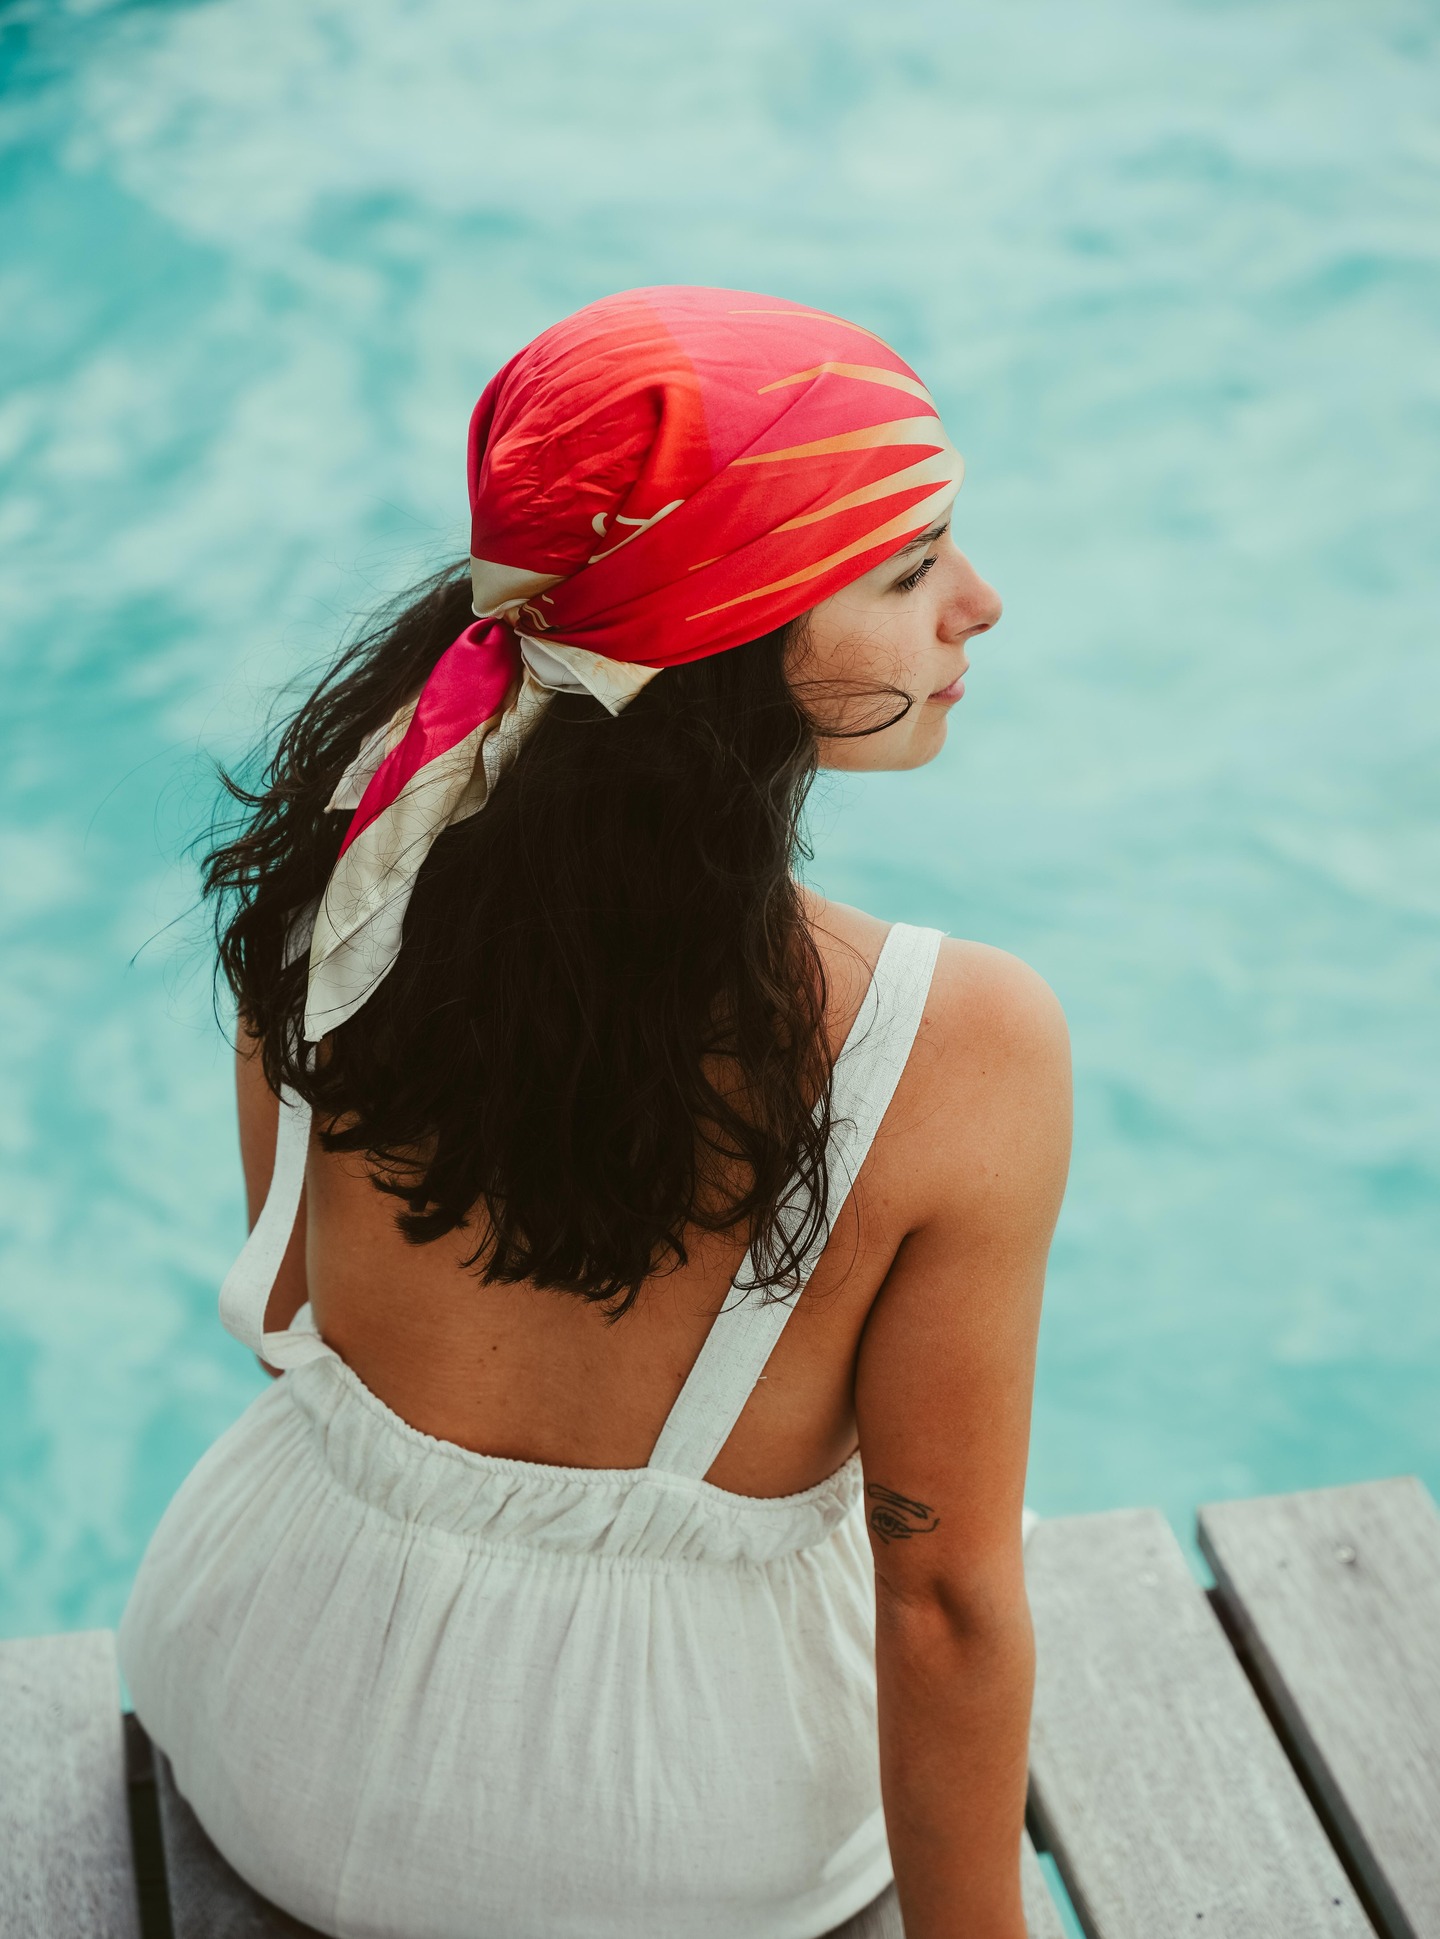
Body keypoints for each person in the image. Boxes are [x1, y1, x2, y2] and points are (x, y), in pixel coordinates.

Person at [119, 285, 1071, 1939]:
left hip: (264, 1705)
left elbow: (284, 1314)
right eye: (910, 570)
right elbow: (945, 1604)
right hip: (664, 1840)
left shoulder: (349, 875)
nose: (979, 606)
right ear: (732, 636)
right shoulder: (956, 1036)